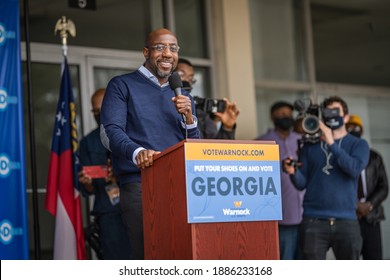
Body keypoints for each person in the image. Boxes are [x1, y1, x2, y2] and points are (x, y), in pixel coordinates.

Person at [100, 28, 200, 260]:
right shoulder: (122, 85)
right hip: (140, 185)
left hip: (180, 187)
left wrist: (188, 117)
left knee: (180, 253)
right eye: (160, 47)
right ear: (146, 52)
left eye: (173, 48)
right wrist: (138, 152)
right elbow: (110, 132)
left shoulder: (184, 96)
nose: (167, 53)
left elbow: (193, 146)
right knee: (149, 255)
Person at [283, 96, 370, 260]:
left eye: (335, 111)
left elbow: (354, 169)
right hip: (313, 221)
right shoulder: (310, 145)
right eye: (327, 112)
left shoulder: (359, 144)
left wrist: (331, 143)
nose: (331, 116)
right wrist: (292, 172)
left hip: (347, 221)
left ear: (346, 117)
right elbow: (302, 184)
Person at [77, 88, 131, 260]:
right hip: (109, 213)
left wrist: (121, 174)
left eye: (104, 109)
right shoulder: (88, 142)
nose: (100, 114)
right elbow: (87, 189)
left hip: (138, 206)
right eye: (96, 111)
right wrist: (86, 182)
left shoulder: (134, 133)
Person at [255, 101, 305, 260]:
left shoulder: (302, 140)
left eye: (289, 115)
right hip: (281, 219)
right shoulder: (261, 142)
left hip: (306, 216)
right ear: (272, 116)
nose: (286, 118)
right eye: (282, 115)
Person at [346, 114, 389, 260]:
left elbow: (383, 187)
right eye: (349, 128)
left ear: (362, 131)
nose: (353, 130)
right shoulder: (342, 158)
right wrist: (355, 205)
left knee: (374, 260)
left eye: (356, 127)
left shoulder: (375, 157)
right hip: (348, 218)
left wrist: (368, 205)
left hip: (371, 217)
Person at [175, 58, 240, 139]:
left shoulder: (200, 113)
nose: (186, 81)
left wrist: (227, 128)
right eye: (181, 74)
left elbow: (215, 148)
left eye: (190, 78)